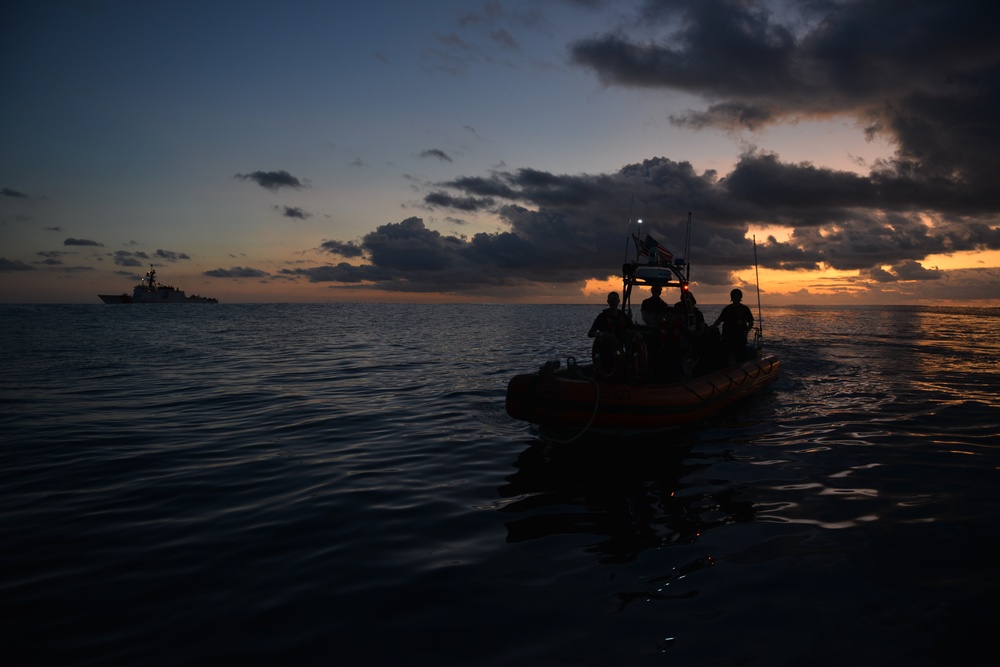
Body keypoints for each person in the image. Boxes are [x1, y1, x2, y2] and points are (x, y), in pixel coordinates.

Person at [711, 288, 754, 364]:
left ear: (740, 297)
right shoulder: (727, 309)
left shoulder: (744, 309)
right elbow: (720, 320)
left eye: (737, 296)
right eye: (734, 296)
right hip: (727, 336)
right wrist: (712, 327)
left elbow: (750, 322)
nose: (735, 297)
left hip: (740, 336)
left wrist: (746, 332)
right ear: (731, 297)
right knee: (725, 355)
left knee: (739, 356)